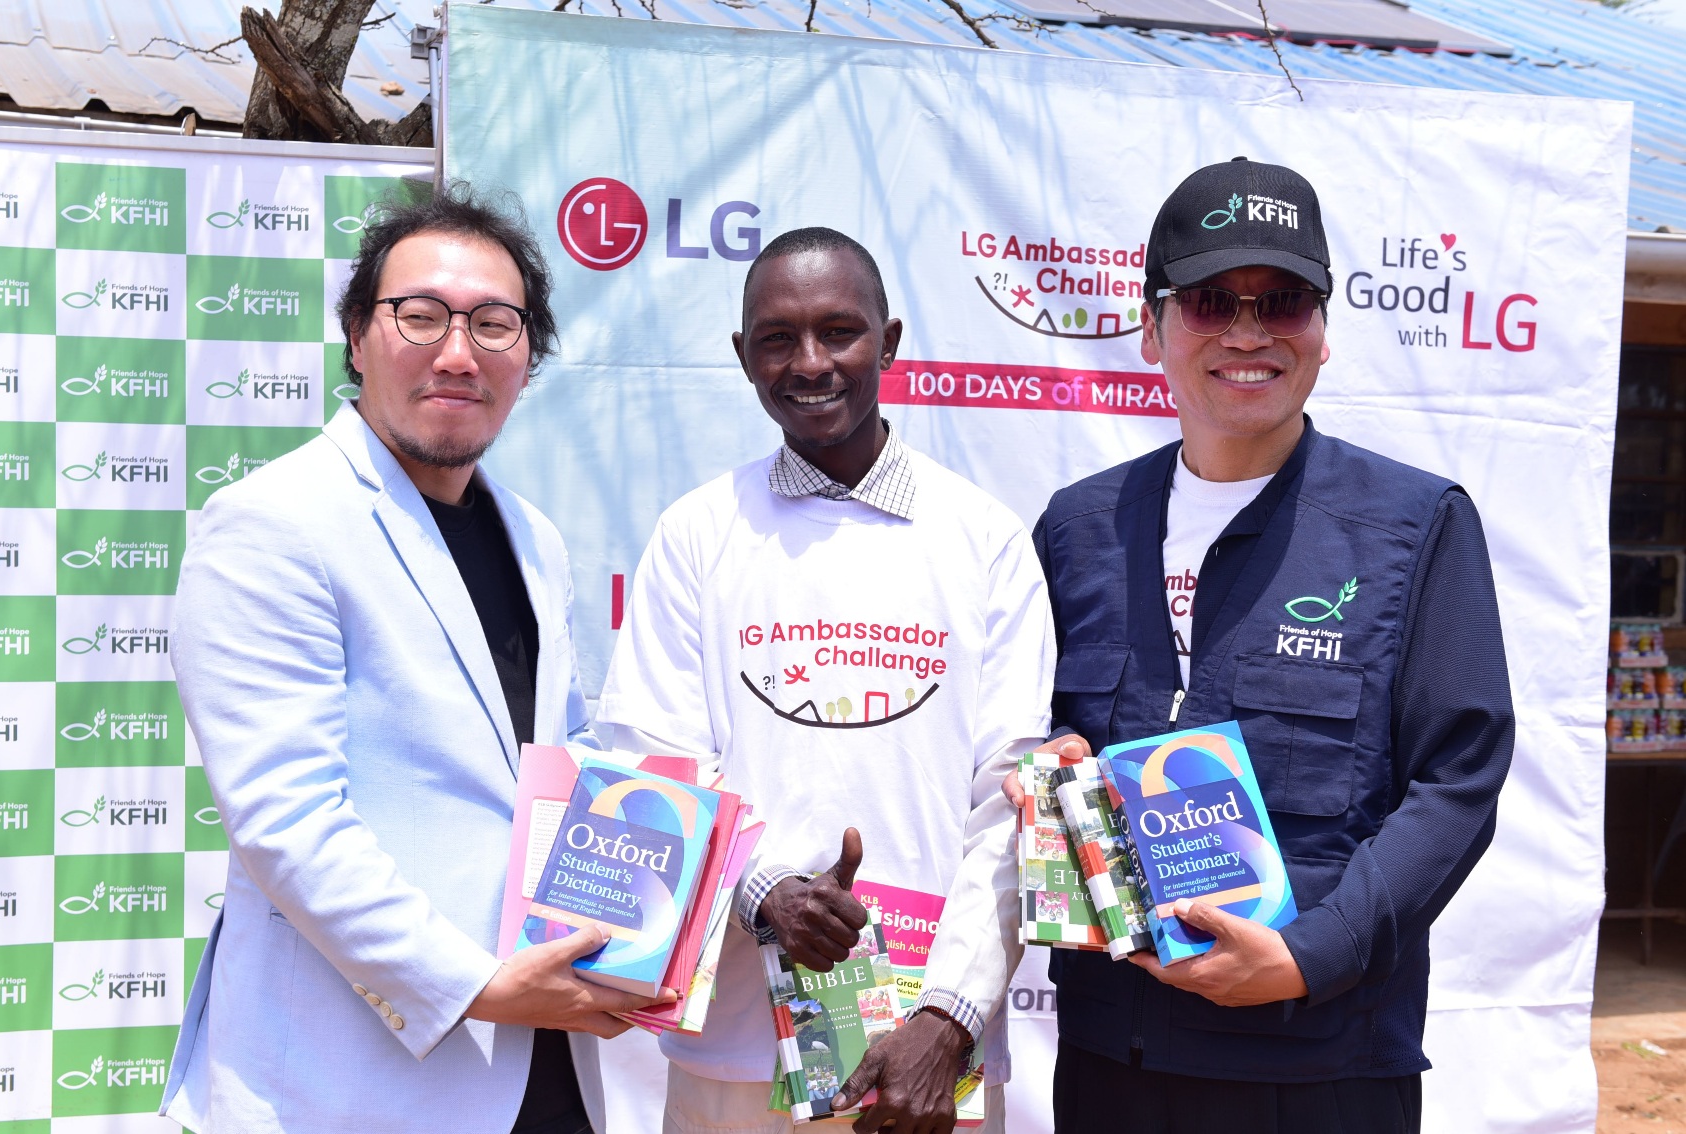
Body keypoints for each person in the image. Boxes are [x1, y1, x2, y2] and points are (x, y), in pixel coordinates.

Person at [1017, 157, 1515, 1134]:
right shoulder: (1076, 529)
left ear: (1322, 333)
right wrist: (1044, 766)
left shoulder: (1414, 527)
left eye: (1281, 300)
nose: (1247, 330)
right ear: (1153, 328)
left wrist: (1310, 953)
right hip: (1111, 1064)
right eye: (1210, 300)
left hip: (1319, 1065)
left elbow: (1458, 779)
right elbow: (1034, 740)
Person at [160, 189, 670, 1134]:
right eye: (420, 315)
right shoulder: (274, 525)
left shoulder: (533, 537)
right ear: (357, 337)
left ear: (528, 356)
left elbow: (561, 768)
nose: (457, 351)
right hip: (351, 1077)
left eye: (493, 323)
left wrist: (699, 877)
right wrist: (474, 984)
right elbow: (287, 820)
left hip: (544, 1057)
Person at [597, 227, 1056, 1134]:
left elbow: (1011, 801)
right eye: (777, 338)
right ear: (741, 356)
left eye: (839, 331)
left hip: (931, 1064)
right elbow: (653, 761)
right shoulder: (698, 533)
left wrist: (952, 1014)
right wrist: (762, 890)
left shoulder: (984, 539)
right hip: (737, 1051)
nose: (810, 363)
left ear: (888, 341)